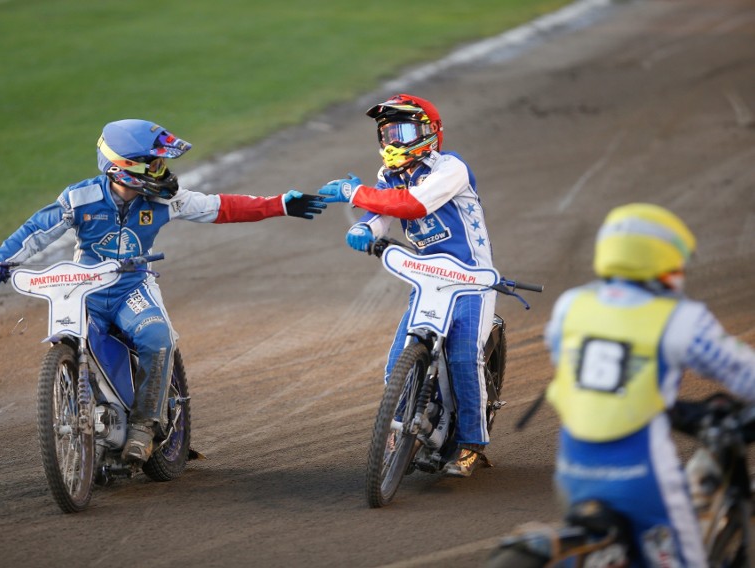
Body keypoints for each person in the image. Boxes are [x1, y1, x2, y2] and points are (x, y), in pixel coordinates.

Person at [0, 118, 326, 463]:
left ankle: (145, 425)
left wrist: (279, 204)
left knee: (158, 338)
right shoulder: (78, 198)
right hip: (84, 291)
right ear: (124, 167)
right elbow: (37, 229)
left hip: (133, 287)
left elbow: (220, 207)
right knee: (66, 339)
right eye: (154, 164)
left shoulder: (165, 200)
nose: (163, 172)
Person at [544, 203, 755, 567]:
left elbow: (559, 355)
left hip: (572, 467)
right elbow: (743, 373)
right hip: (642, 473)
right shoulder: (681, 318)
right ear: (660, 262)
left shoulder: (571, 304)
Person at [317, 93, 496, 477]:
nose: (394, 141)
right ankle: (399, 430)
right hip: (429, 279)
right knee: (397, 359)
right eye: (388, 133)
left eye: (404, 131)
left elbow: (412, 205)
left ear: (429, 132)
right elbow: (383, 211)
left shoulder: (451, 168)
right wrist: (365, 225)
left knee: (464, 356)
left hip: (470, 279)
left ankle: (471, 444)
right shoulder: (390, 176)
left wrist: (353, 192)